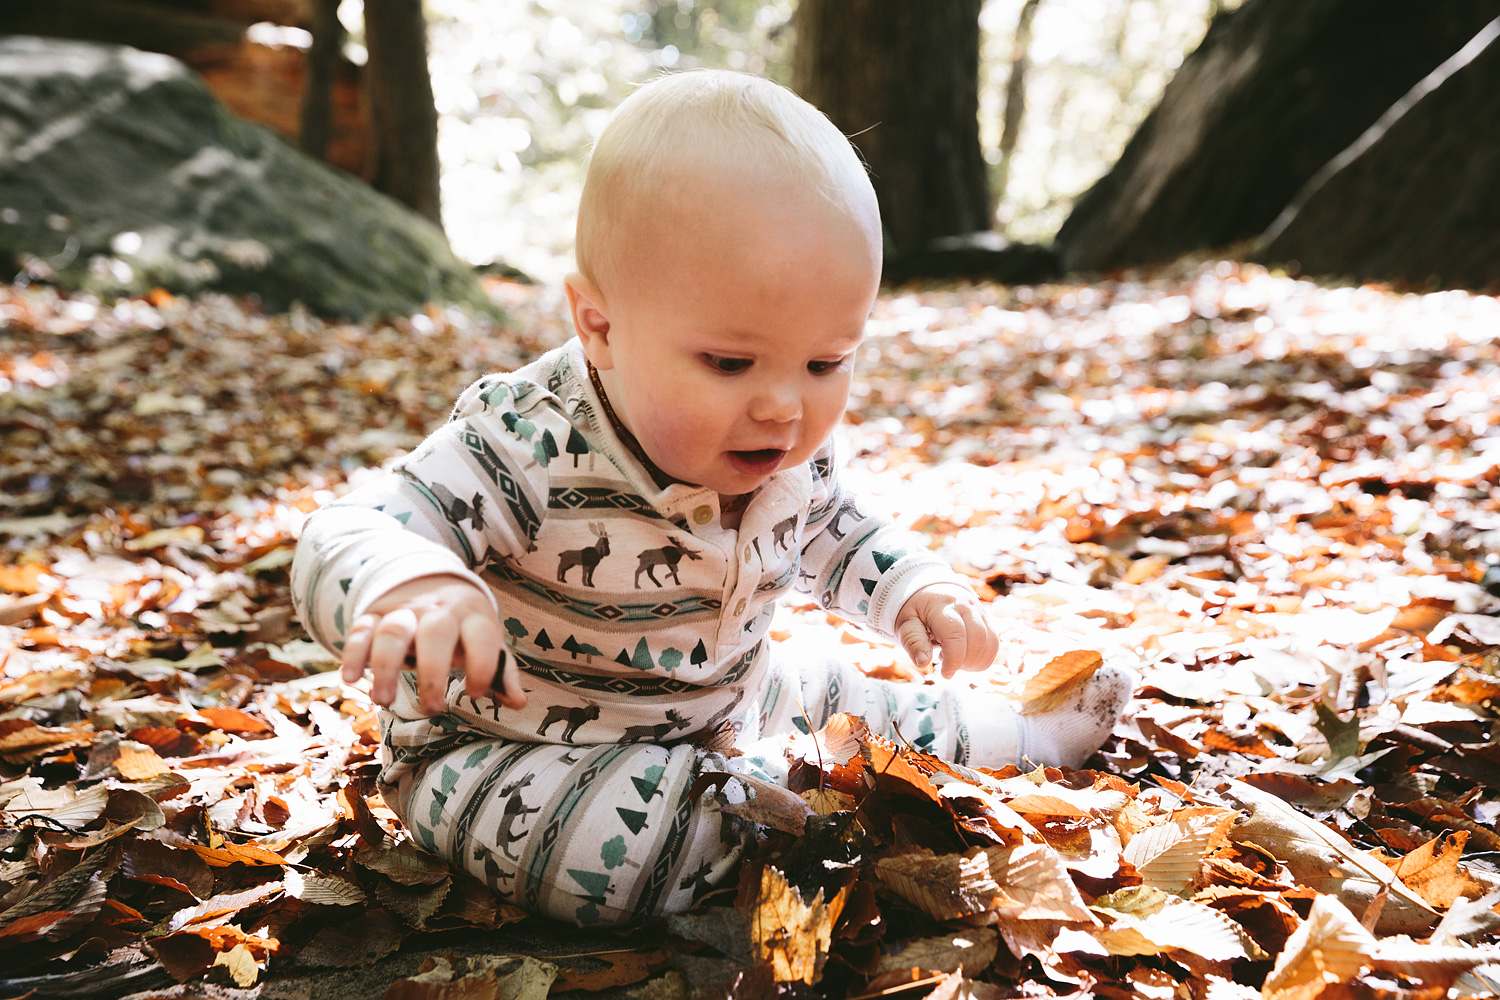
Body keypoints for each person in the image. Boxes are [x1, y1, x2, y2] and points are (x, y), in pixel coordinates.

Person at [290, 69, 1132, 926]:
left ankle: (1021, 741)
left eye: (826, 361)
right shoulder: (527, 440)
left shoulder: (784, 438)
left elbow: (839, 528)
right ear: (601, 327)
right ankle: (771, 819)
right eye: (731, 364)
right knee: (604, 848)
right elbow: (353, 528)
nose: (783, 405)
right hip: (508, 747)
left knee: (845, 698)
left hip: (729, 700)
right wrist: (406, 582)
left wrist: (914, 585)